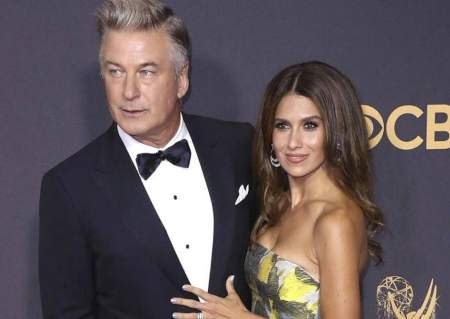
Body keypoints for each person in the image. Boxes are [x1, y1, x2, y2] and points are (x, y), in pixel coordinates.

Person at [38, 0, 256, 318]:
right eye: (115, 72)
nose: (128, 91)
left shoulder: (238, 145)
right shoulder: (70, 187)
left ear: (182, 79)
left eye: (146, 72)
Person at [170, 61, 384, 319]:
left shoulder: (335, 221)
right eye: (282, 126)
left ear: (336, 132)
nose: (293, 142)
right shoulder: (278, 202)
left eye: (310, 126)